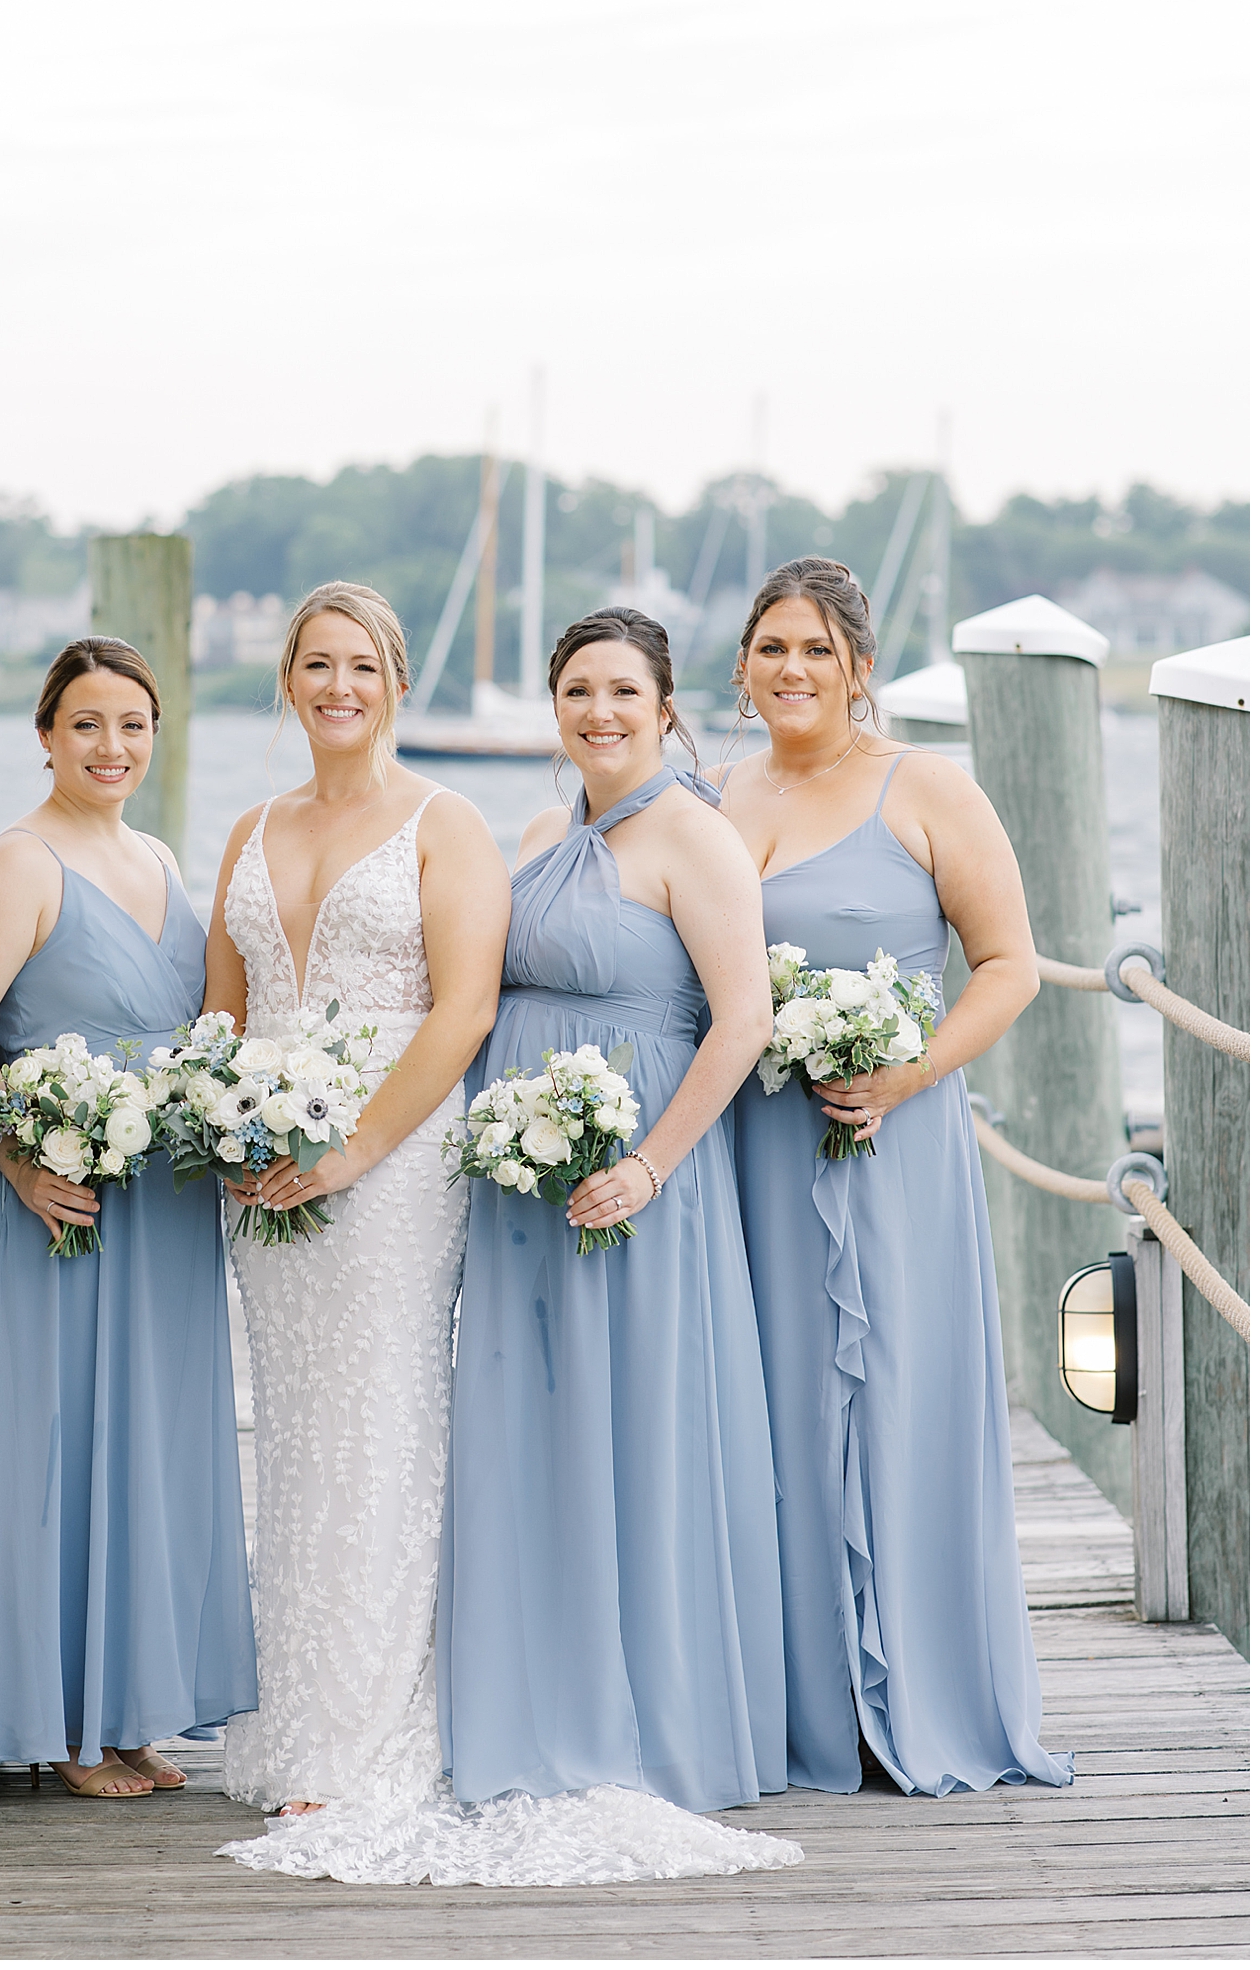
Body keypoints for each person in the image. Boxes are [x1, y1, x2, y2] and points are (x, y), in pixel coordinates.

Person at [717, 556, 1071, 1796]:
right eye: (772, 647)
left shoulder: (927, 787)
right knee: (773, 1417)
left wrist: (907, 1076)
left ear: (860, 666)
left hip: (890, 1147)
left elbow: (1009, 965)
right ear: (743, 665)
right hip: (753, 1157)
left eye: (817, 648)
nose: (793, 669)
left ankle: (912, 1691)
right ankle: (804, 1699)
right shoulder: (712, 796)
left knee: (896, 1403)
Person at [440, 609, 787, 1826]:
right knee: (531, 1424)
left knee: (633, 1425)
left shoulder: (698, 833)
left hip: (637, 1182)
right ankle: (527, 1687)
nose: (599, 710)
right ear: (554, 703)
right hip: (521, 1183)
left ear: (666, 703)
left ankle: (644, 1710)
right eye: (578, 689)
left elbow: (739, 1018)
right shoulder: (541, 831)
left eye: (623, 690)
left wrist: (645, 1166)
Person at [204, 582, 511, 1824]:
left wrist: (356, 1149)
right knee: (292, 1426)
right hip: (265, 1164)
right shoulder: (245, 828)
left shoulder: (448, 822)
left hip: (393, 1159)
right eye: (317, 664)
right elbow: (222, 1009)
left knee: (382, 1422)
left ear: (396, 683)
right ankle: (302, 1721)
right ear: (288, 680)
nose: (339, 686)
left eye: (363, 666)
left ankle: (372, 1737)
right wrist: (218, 1114)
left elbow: (464, 1008)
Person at [0, 638, 255, 1798]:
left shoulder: (159, 855)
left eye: (133, 726)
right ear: (45, 734)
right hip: (68, 1199)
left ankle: (126, 1712)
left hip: (165, 1198)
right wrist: (19, 1153)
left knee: (150, 1443)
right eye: (86, 725)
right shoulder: (20, 862)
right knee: (65, 1441)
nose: (112, 747)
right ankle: (60, 1722)